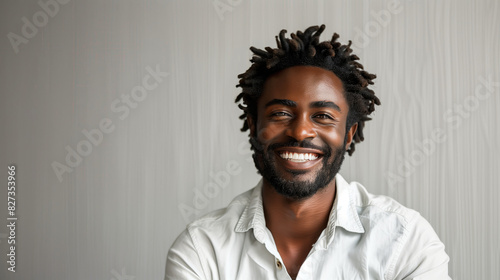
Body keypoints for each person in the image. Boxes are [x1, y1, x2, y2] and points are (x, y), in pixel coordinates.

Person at [165, 24, 450, 280]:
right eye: (280, 113)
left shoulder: (404, 240)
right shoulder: (202, 250)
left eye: (323, 116)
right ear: (254, 126)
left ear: (349, 134)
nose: (300, 132)